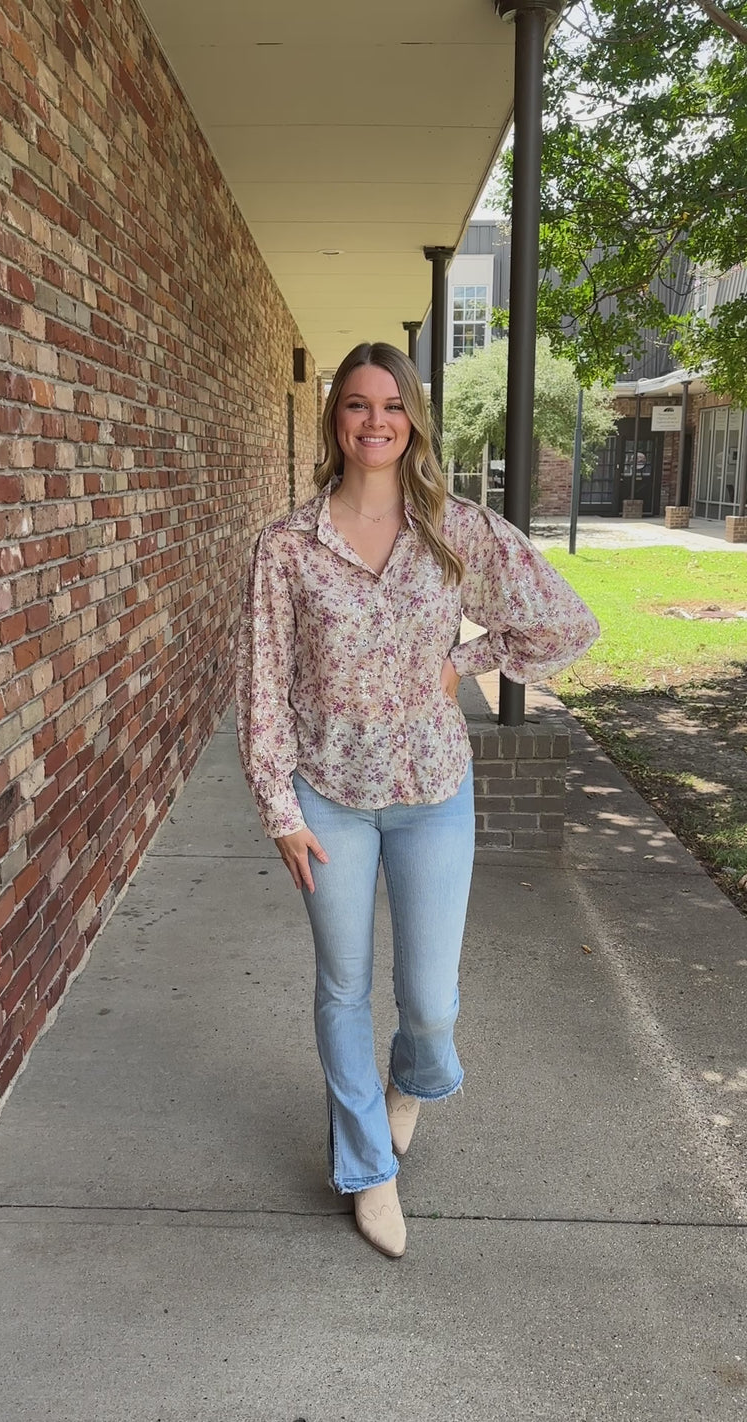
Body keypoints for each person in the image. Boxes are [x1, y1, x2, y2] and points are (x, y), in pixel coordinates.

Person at [235, 342, 599, 1259]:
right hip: (328, 797)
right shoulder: (286, 547)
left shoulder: (456, 530)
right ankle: (368, 1170)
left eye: (392, 405)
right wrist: (279, 808)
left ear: (414, 419)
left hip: (433, 790)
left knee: (431, 1002)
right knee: (343, 986)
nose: (374, 421)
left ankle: (412, 1082)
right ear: (335, 420)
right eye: (356, 405)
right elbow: (262, 682)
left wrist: (464, 663)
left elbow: (564, 620)